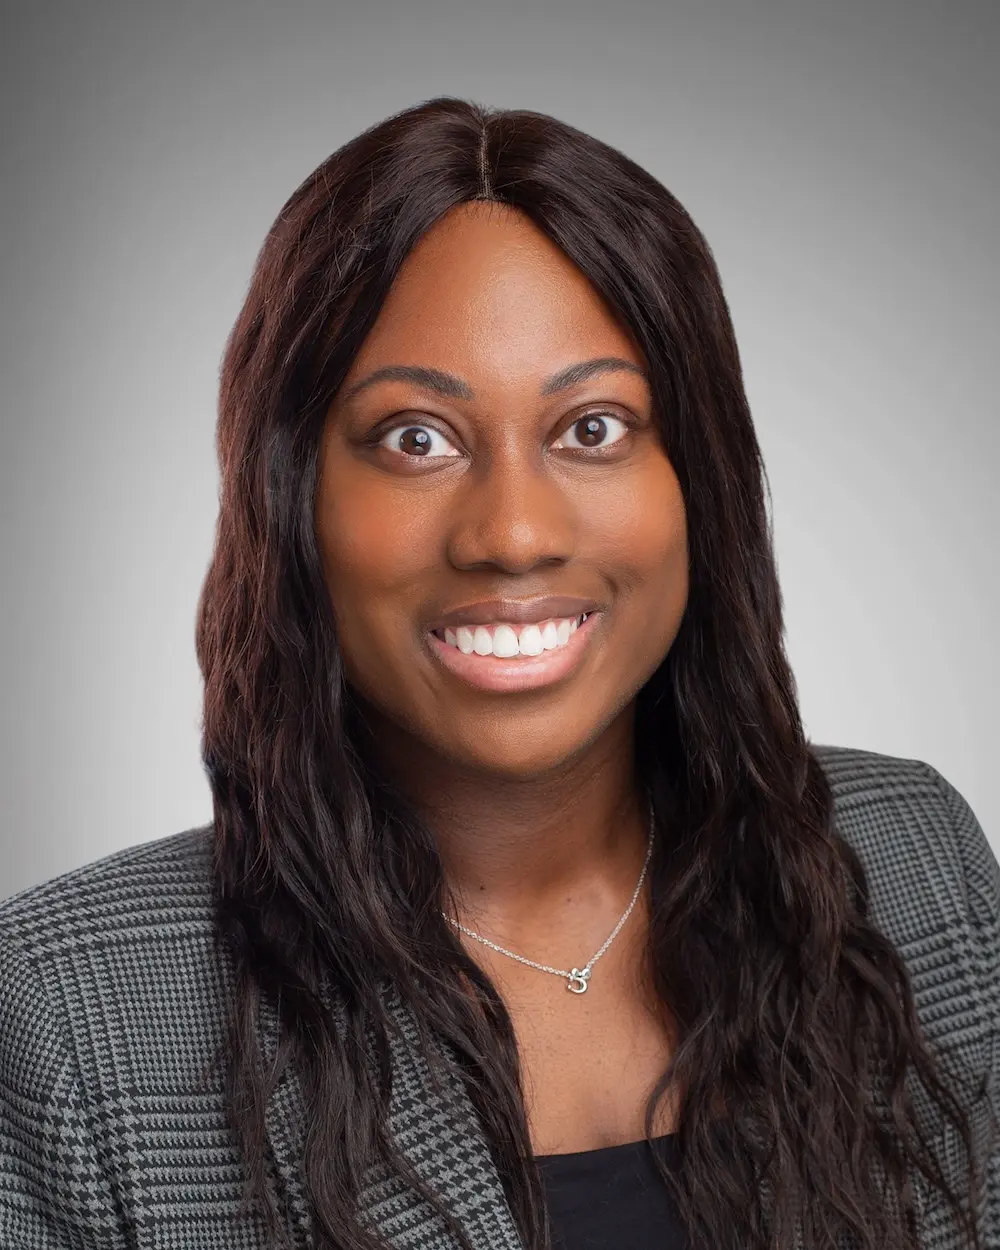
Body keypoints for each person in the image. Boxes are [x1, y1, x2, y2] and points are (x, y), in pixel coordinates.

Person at [0, 96, 996, 1250]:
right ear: (290, 496)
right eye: (415, 436)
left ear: (699, 481)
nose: (513, 534)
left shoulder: (917, 866)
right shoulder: (67, 1015)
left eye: (593, 428)